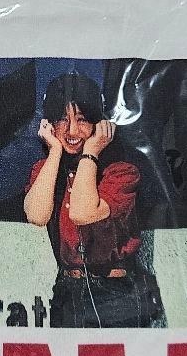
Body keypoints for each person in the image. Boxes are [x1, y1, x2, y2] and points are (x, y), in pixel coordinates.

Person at [23, 73, 164, 328]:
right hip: (68, 290)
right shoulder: (47, 170)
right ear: (49, 124)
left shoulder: (120, 171)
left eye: (82, 119)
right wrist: (54, 151)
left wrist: (91, 151)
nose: (72, 130)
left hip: (117, 294)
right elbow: (36, 215)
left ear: (98, 124)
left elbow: (82, 213)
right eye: (62, 119)